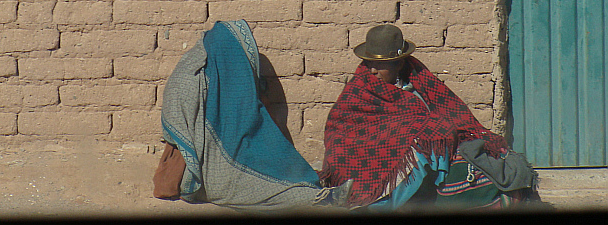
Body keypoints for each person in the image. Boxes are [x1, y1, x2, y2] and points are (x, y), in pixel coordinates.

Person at [319, 24, 538, 210]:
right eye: (370, 63)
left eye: (381, 64)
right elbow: (339, 131)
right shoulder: (358, 91)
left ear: (399, 63)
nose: (373, 70)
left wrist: (433, 131)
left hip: (419, 154)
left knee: (467, 166)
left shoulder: (420, 84)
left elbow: (446, 114)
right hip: (370, 154)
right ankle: (371, 204)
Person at [159, 19, 352, 211]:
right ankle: (320, 199)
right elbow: (172, 127)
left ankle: (311, 189)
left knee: (280, 170)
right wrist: (201, 145)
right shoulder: (191, 78)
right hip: (200, 172)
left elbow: (257, 125)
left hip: (242, 152)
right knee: (264, 187)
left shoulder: (237, 82)